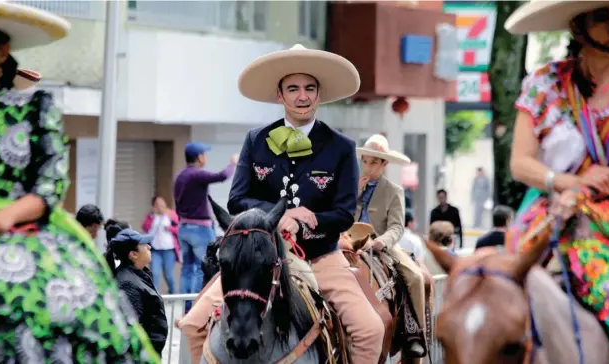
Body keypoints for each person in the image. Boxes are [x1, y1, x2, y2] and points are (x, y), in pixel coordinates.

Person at [0, 1, 157, 361]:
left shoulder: (35, 106)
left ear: (2, 48)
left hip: (22, 228)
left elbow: (50, 184)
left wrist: (3, 218)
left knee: (65, 303)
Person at [179, 44, 385, 364]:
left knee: (370, 329)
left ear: (319, 95)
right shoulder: (255, 140)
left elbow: (345, 212)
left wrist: (309, 219)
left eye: (309, 89)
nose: (302, 96)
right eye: (293, 89)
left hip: (320, 257)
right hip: (259, 255)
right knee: (192, 324)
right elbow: (237, 199)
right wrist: (280, 214)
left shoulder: (341, 147)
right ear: (280, 95)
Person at [505, 1, 609, 361]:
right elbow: (520, 163)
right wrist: (565, 183)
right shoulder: (544, 83)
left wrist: (579, 193)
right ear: (579, 27)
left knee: (586, 249)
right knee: (495, 271)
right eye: (603, 17)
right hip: (549, 201)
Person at [352, 133, 431, 358]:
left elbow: (397, 227)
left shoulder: (394, 190)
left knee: (415, 276)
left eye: (373, 162)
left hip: (380, 245)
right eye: (365, 161)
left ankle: (414, 332)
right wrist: (355, 192)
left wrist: (381, 241)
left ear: (384, 164)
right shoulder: (350, 186)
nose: (367, 167)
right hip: (348, 243)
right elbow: (339, 215)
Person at [174, 142, 236, 300]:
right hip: (199, 229)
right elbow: (222, 176)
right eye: (205, 155)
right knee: (203, 268)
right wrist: (233, 163)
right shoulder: (196, 174)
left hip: (183, 228)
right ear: (199, 157)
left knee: (187, 269)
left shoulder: (180, 176)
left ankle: (187, 308)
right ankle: (197, 306)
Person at [105, 229, 168, 357]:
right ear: (133, 254)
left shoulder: (139, 274)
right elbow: (129, 331)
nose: (149, 247)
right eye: (144, 245)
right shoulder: (127, 283)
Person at [142, 196, 181, 294]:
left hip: (169, 250)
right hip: (155, 250)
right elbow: (145, 228)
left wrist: (170, 228)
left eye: (162, 203)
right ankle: (155, 296)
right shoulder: (151, 216)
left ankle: (173, 294)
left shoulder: (171, 214)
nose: (160, 206)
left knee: (168, 275)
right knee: (155, 273)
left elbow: (179, 229)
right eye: (157, 204)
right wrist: (152, 216)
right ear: (154, 205)